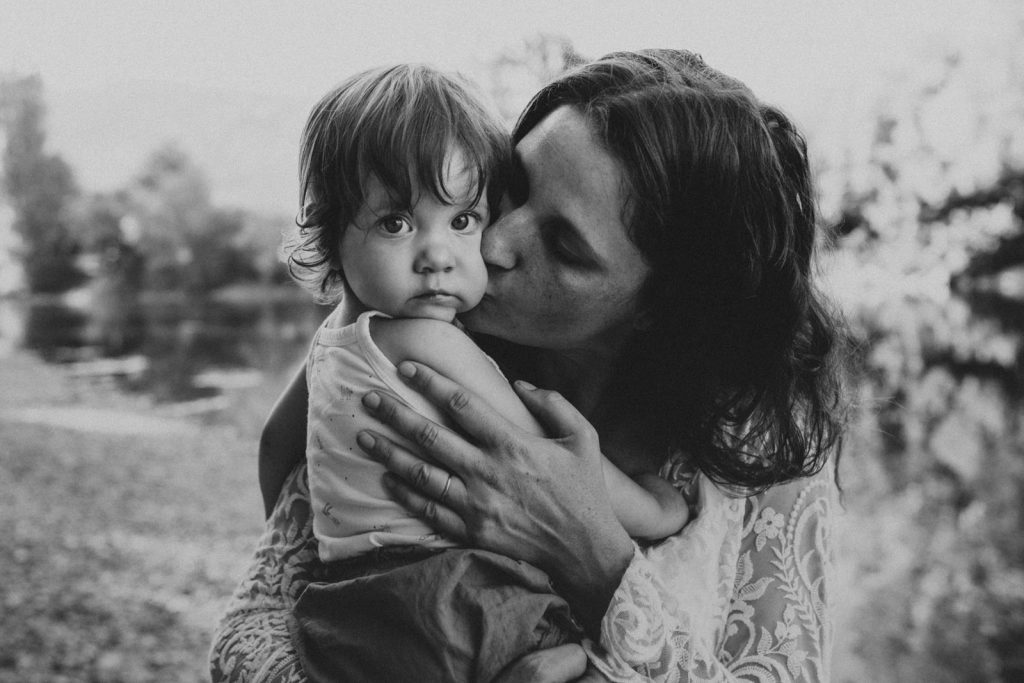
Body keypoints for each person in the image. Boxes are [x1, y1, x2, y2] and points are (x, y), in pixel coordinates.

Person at [211, 48, 847, 682]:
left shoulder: (762, 446)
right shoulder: (419, 340)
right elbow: (252, 633)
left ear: (662, 305)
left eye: (564, 246)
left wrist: (594, 558)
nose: (490, 241)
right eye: (509, 189)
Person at [284, 63, 690, 682]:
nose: (440, 256)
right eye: (396, 223)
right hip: (447, 602)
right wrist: (656, 512)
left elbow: (271, 447)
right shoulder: (427, 340)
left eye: (464, 219)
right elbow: (552, 458)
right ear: (331, 236)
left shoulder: (332, 346)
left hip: (345, 615)